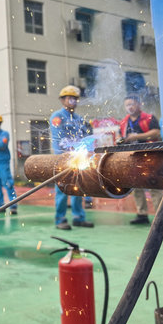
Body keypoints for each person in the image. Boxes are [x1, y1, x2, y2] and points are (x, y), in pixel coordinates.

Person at [49, 85, 94, 230]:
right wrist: (70, 149)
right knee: (63, 189)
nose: (72, 101)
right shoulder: (57, 117)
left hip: (78, 157)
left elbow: (84, 137)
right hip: (63, 158)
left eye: (75, 98)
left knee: (78, 187)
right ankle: (60, 219)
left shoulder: (79, 119)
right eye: (69, 98)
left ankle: (78, 217)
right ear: (62, 100)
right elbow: (59, 138)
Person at [119, 94, 163, 225]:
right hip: (133, 157)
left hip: (150, 156)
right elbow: (122, 137)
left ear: (139, 104)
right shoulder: (124, 122)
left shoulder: (149, 118)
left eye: (132, 104)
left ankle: (160, 216)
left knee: (154, 185)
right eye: (127, 105)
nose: (130, 107)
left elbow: (156, 133)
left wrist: (136, 136)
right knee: (136, 186)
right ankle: (141, 213)